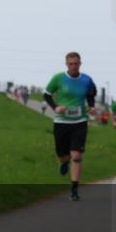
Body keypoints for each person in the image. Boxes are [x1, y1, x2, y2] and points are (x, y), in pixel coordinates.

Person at [43, 52, 97, 201]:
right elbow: (47, 94)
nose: (73, 66)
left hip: (80, 121)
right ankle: (64, 162)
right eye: (71, 63)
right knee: (62, 155)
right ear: (66, 64)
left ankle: (74, 189)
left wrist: (91, 106)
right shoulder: (58, 78)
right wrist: (55, 107)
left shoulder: (87, 79)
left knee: (77, 155)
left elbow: (91, 93)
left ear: (80, 64)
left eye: (76, 63)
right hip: (61, 122)